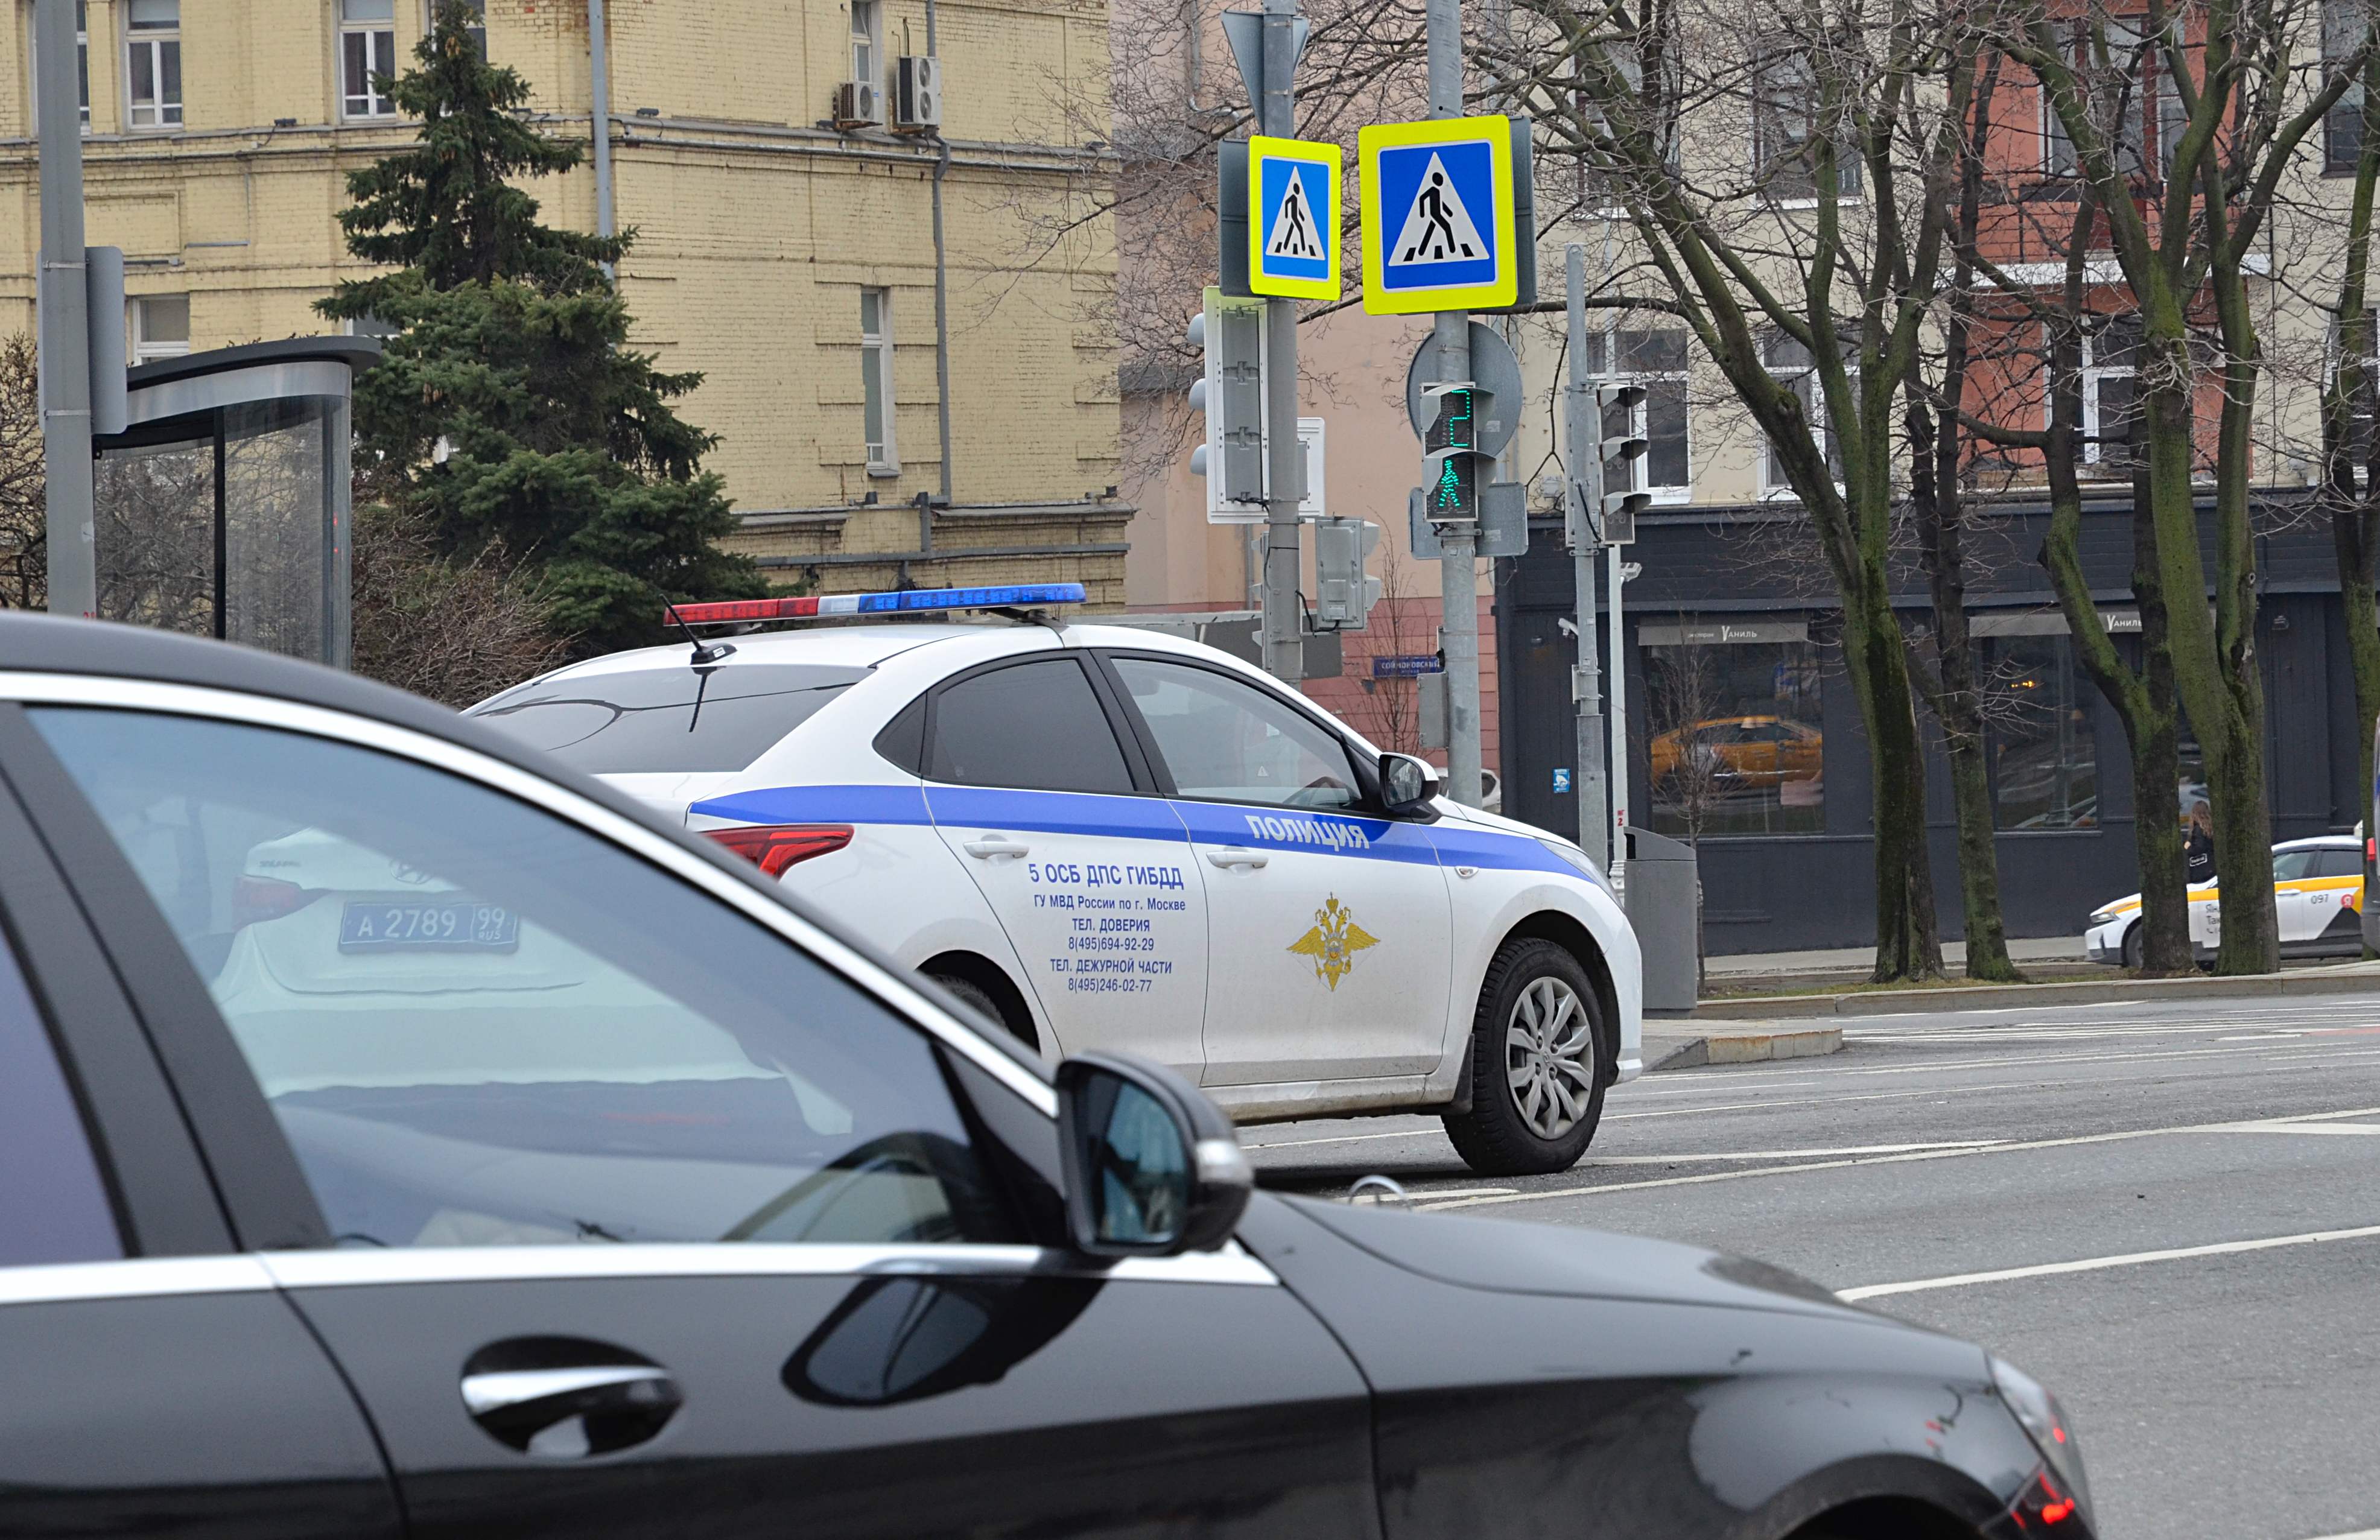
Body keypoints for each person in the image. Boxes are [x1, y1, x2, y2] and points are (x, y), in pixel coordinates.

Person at [2184, 800, 2217, 886]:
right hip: (2211, 869)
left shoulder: (2198, 830)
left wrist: (2188, 848)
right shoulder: (2211, 829)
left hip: (2201, 873)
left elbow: (2199, 847)